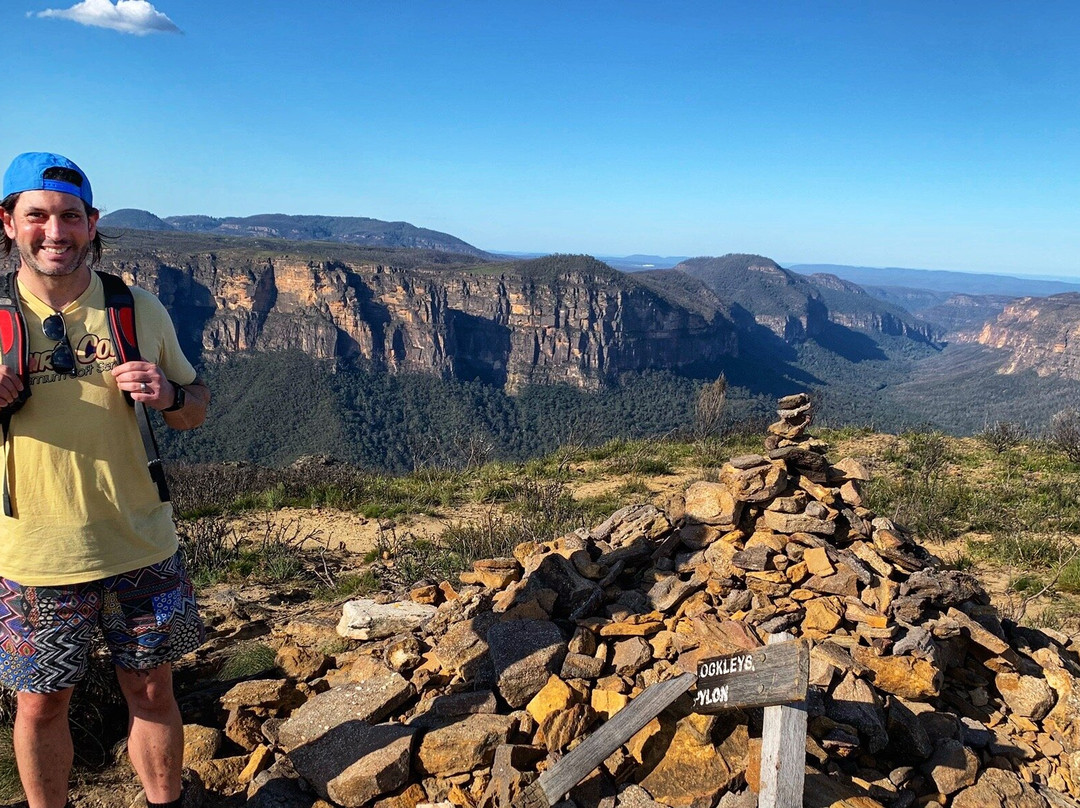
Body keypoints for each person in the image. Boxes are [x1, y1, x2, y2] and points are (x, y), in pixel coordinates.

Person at [0, 152, 210, 808]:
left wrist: (169, 395)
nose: (53, 232)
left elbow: (197, 407)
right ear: (8, 223)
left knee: (153, 690)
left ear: (92, 225)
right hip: (36, 557)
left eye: (69, 217)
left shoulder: (135, 307)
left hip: (143, 545)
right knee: (40, 706)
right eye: (36, 216)